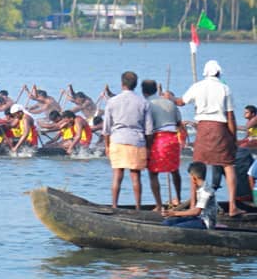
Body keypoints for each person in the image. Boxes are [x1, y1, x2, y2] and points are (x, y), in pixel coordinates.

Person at [177, 59, 242, 216]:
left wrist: (169, 97)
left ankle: (193, 204)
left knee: (197, 166)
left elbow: (181, 102)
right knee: (228, 165)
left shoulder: (197, 86)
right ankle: (233, 206)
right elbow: (231, 117)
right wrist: (233, 139)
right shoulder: (225, 88)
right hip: (220, 129)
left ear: (205, 73)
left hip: (203, 129)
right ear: (219, 73)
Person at [102, 70, 154, 209]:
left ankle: (114, 205)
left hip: (117, 140)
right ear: (135, 85)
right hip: (136, 141)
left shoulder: (112, 101)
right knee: (135, 176)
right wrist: (149, 148)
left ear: (122, 84)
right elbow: (149, 130)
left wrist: (107, 146)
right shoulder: (143, 102)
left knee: (117, 175)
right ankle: (138, 207)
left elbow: (106, 128)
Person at [142, 79, 184, 212]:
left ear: (144, 91)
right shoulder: (170, 103)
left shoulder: (147, 104)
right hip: (172, 139)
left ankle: (159, 205)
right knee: (175, 170)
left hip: (158, 139)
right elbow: (179, 123)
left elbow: (147, 127)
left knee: (153, 173)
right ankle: (179, 199)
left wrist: (146, 146)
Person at [162, 162, 218, 229]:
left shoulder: (206, 191)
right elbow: (191, 204)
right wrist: (173, 210)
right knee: (167, 223)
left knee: (176, 228)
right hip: (198, 218)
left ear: (194, 178)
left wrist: (174, 213)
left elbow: (196, 211)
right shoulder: (201, 188)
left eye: (190, 177)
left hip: (205, 222)